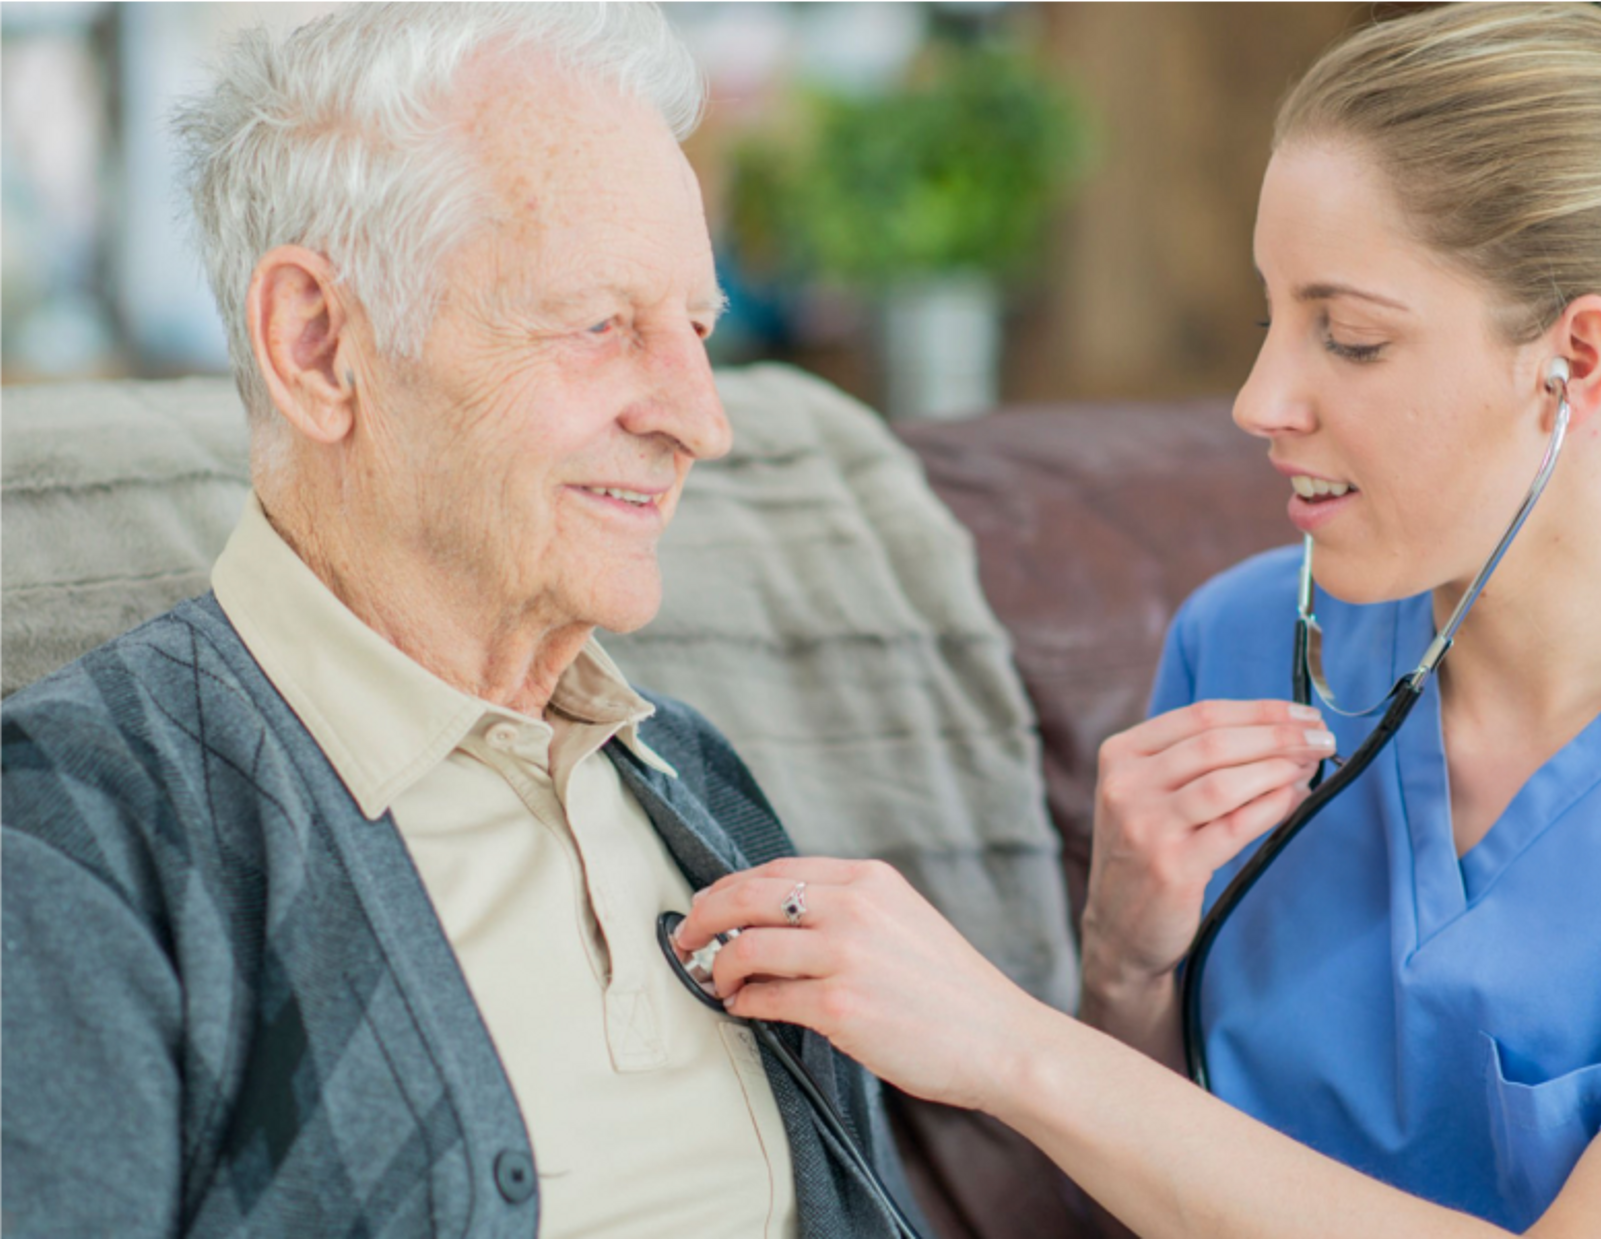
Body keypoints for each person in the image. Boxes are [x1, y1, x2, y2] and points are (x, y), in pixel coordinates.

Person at [672, 4, 1601, 1237]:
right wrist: (1126, 968)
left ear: (1578, 360)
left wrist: (1010, 1044)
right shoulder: (1244, 640)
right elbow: (1148, 1188)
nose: (1261, 397)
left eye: (1351, 336)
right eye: (1272, 316)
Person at [0, 4, 916, 1237]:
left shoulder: (692, 778)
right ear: (319, 346)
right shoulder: (73, 830)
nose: (703, 419)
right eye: (602, 323)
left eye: (695, 330)